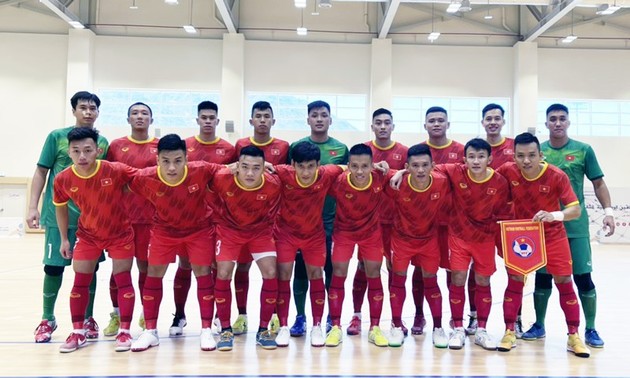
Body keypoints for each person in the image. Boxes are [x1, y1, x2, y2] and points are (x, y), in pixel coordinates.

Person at [522, 103, 615, 348]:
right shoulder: (536, 152)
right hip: (543, 229)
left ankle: (591, 329)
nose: (558, 123)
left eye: (562, 118)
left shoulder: (584, 150)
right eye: (553, 119)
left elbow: (599, 183)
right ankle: (539, 324)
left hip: (575, 227)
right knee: (543, 278)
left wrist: (608, 212)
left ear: (568, 122)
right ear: (546, 124)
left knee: (583, 278)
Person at [496, 132, 591, 358]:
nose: (526, 160)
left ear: (541, 155)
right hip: (521, 237)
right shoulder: (507, 171)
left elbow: (575, 210)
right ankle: (509, 331)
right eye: (520, 156)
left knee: (565, 282)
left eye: (531, 155)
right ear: (514, 156)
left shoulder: (556, 176)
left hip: (552, 235)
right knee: (515, 282)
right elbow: (479, 174)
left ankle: (573, 335)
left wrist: (555, 215)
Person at [128, 134, 223, 352]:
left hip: (198, 230)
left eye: (178, 161)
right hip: (164, 231)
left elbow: (230, 170)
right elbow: (120, 181)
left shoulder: (202, 169)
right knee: (153, 274)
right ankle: (150, 331)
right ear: (157, 159)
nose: (172, 168)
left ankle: (206, 329)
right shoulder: (144, 177)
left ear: (186, 158)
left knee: (202, 273)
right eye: (166, 161)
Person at [29, 91, 108, 343]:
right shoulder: (56, 137)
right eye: (82, 107)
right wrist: (33, 206)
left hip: (91, 219)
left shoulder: (103, 142)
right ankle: (47, 318)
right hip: (58, 215)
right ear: (73, 110)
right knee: (53, 268)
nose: (88, 111)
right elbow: (41, 171)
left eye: (92, 108)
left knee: (89, 269)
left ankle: (87, 317)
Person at [53, 128, 136, 353]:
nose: (82, 156)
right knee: (80, 281)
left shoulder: (115, 170)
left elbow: (145, 177)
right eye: (76, 151)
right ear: (68, 152)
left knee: (123, 280)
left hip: (120, 234)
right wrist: (63, 240)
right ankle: (78, 332)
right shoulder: (63, 179)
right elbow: (60, 209)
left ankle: (125, 331)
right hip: (88, 236)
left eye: (88, 150)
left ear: (98, 150)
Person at [168, 101, 236, 338]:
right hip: (189, 217)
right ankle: (179, 314)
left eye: (212, 118)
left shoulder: (228, 149)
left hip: (219, 217)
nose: (207, 121)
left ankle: (217, 315)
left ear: (217, 121)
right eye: (203, 117)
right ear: (197, 119)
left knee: (218, 267)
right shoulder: (185, 147)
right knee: (185, 265)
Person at [436, 138, 509, 351]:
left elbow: (503, 212)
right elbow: (430, 167)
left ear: (490, 159)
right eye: (471, 157)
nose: (476, 161)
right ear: (464, 158)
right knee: (457, 278)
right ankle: (457, 328)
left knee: (482, 281)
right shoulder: (455, 171)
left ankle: (481, 330)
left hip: (485, 239)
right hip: (458, 236)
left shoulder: (499, 182)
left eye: (481, 157)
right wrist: (403, 173)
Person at [273, 141, 344, 347]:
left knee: (316, 276)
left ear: (318, 165)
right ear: (292, 164)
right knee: (284, 276)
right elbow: (263, 166)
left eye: (310, 166)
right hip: (286, 234)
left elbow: (350, 166)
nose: (305, 172)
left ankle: (317, 326)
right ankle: (284, 325)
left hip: (314, 236)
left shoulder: (327, 173)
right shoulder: (282, 173)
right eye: (301, 166)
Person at [212, 145, 282, 351]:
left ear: (263, 168)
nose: (250, 173)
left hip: (259, 232)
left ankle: (263, 330)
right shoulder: (221, 178)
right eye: (245, 167)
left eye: (255, 168)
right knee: (223, 273)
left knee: (270, 272)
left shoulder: (273, 184)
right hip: (229, 231)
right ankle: (225, 329)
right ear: (237, 167)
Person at [289, 100, 349, 337]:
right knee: (302, 271)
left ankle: (330, 318)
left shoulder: (341, 149)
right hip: (302, 222)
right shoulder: (296, 146)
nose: (319, 119)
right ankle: (300, 317)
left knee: (330, 270)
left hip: (331, 221)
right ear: (308, 119)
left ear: (330, 119)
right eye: (315, 115)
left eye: (324, 115)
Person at [347, 108, 408, 337]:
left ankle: (396, 319)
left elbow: (411, 175)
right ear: (372, 126)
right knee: (363, 268)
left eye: (387, 122)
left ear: (393, 126)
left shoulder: (403, 151)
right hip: (368, 223)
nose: (383, 126)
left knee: (395, 270)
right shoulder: (363, 151)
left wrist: (394, 170)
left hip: (396, 222)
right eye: (378, 123)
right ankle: (356, 315)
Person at [231, 101, 289, 335]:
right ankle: (242, 315)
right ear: (251, 121)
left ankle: (273, 316)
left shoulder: (284, 146)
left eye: (267, 116)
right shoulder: (241, 145)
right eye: (259, 116)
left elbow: (285, 177)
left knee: (271, 271)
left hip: (271, 221)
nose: (263, 120)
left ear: (273, 121)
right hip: (243, 219)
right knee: (242, 267)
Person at [325, 144, 391, 348]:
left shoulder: (381, 176)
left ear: (373, 165)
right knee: (339, 273)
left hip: (371, 234)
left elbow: (408, 171)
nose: (360, 171)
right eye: (355, 166)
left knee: (373, 274)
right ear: (348, 166)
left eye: (365, 166)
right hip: (344, 233)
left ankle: (375, 327)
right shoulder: (338, 182)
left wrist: (399, 172)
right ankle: (336, 326)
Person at [385, 144, 450, 348]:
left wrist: (402, 171)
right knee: (398, 280)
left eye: (424, 165)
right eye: (414, 166)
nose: (420, 170)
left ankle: (438, 327)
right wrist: (399, 173)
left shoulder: (442, 182)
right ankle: (396, 325)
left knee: (431, 281)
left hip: (429, 240)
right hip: (402, 240)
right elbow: (376, 168)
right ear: (407, 166)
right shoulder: (396, 182)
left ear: (433, 166)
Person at [103, 102, 158, 337]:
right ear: (127, 119)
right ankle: (116, 314)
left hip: (149, 218)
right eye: (134, 113)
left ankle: (147, 314)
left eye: (144, 113)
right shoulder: (116, 146)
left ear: (151, 120)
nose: (139, 116)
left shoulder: (159, 147)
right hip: (121, 219)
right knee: (119, 271)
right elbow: (104, 178)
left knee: (146, 268)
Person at [419, 106, 465, 335]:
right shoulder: (417, 152)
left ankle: (455, 318)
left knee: (453, 273)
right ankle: (419, 316)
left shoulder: (461, 150)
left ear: (448, 124)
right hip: (423, 225)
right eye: (431, 121)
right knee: (420, 272)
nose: (436, 124)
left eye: (440, 120)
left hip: (452, 225)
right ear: (425, 125)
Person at [479, 103, 521, 337]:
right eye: (488, 118)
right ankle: (475, 318)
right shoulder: (475, 149)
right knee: (478, 274)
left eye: (497, 118)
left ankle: (517, 320)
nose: (493, 122)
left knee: (516, 271)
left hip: (510, 223)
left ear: (503, 121)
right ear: (483, 122)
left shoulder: (516, 147)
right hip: (481, 224)